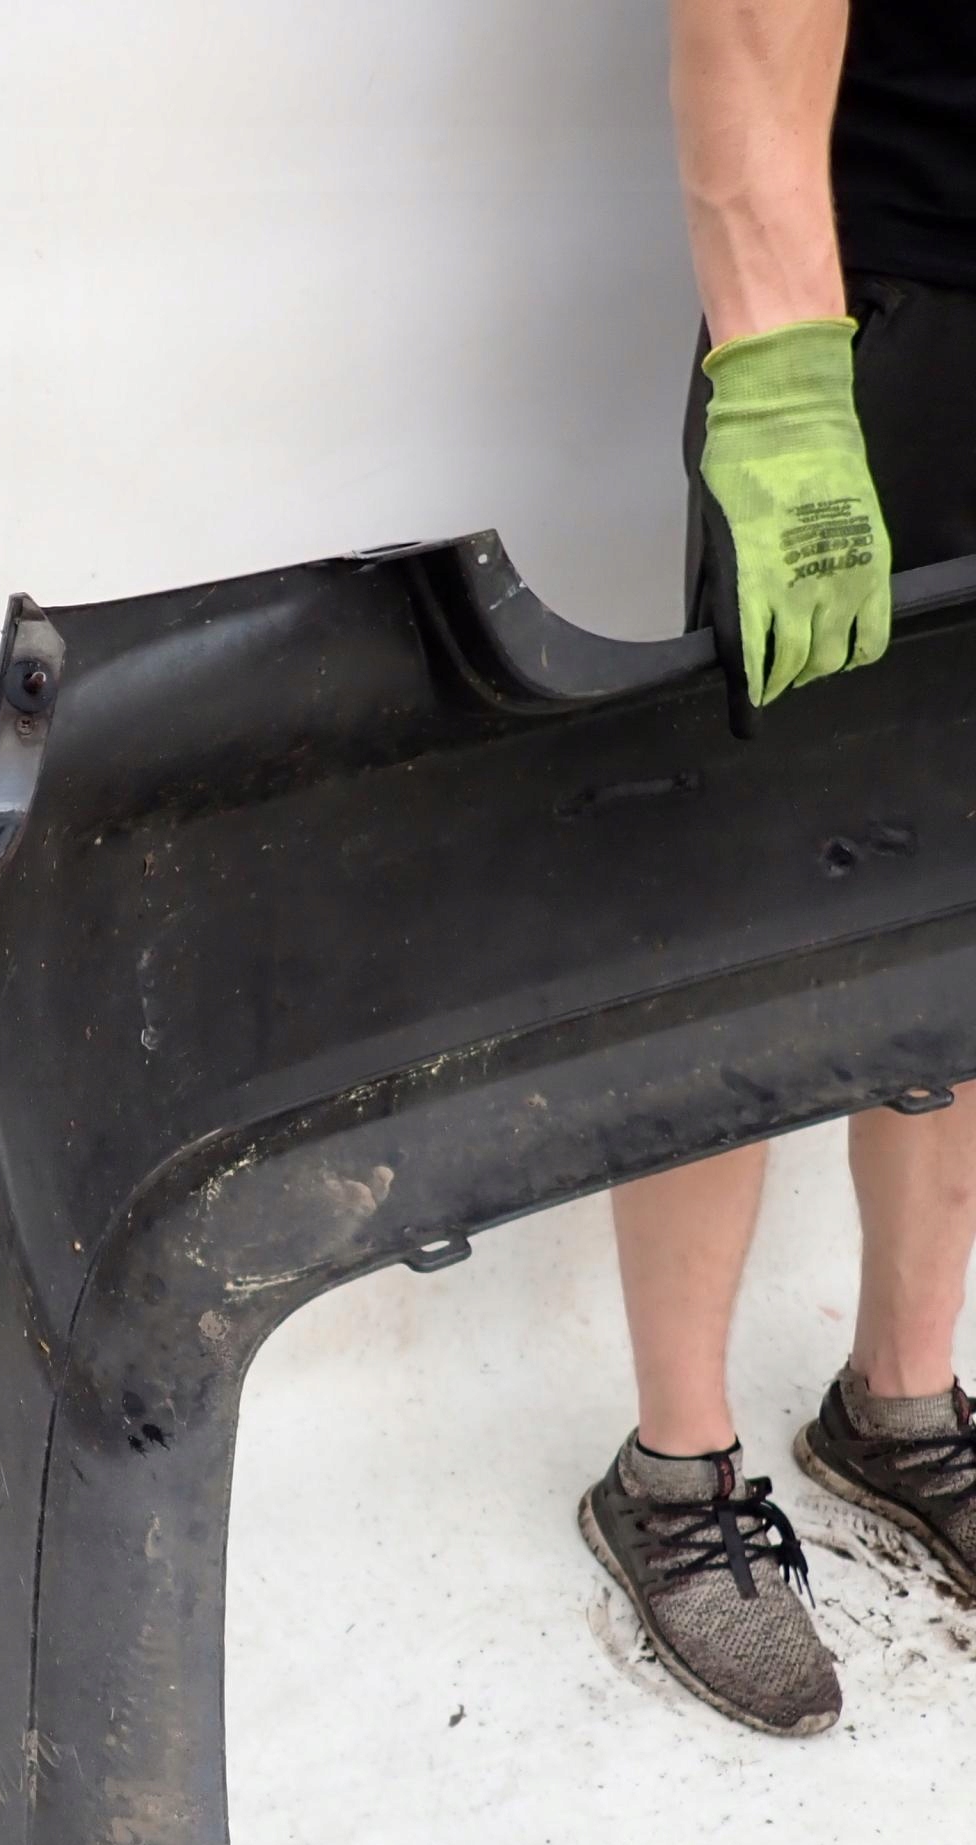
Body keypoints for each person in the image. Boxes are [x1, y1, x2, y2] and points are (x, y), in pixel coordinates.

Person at [581, 0, 976, 1735]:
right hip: (858, 343)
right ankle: (674, 1467)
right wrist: (789, 381)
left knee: (958, 906)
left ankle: (900, 1404)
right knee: (751, 917)